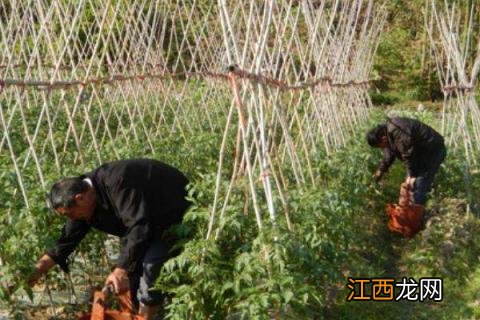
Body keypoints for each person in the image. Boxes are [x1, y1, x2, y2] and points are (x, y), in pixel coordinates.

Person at [29, 158, 190, 319]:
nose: (71, 218)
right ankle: (141, 312)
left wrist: (120, 270)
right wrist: (36, 271)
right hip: (143, 225)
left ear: (80, 198)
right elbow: (67, 240)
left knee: (149, 267)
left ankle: (145, 315)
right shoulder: (84, 203)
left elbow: (139, 225)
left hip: (172, 216)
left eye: (69, 214)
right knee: (132, 275)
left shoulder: (119, 180)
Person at [366, 117, 446, 206]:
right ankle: (410, 210)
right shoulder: (388, 135)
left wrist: (411, 175)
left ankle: (417, 214)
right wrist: (379, 173)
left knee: (418, 186)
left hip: (432, 151)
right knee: (409, 188)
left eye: (380, 146)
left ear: (383, 138)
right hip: (419, 154)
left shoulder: (398, 131)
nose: (382, 148)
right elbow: (388, 156)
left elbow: (408, 154)